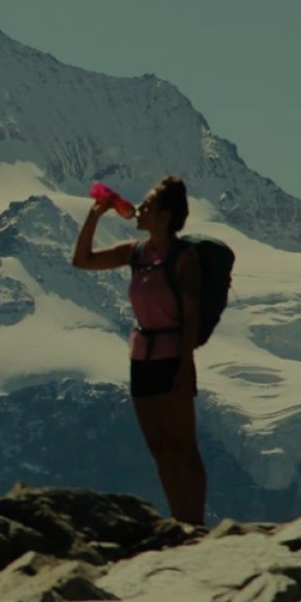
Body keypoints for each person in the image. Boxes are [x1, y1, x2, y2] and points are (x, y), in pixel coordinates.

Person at [71, 175, 206, 526]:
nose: (140, 209)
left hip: (172, 357)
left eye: (148, 205)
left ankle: (194, 521)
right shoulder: (136, 253)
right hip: (141, 359)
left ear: (165, 216)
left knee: (184, 447)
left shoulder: (184, 258)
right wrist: (95, 215)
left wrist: (186, 364)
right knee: (160, 449)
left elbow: (191, 316)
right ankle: (180, 521)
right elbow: (82, 260)